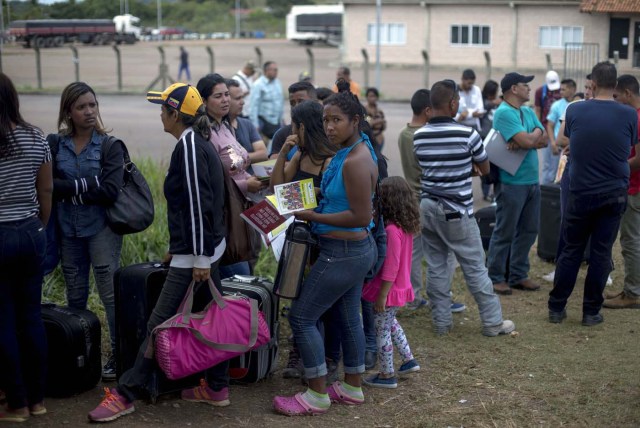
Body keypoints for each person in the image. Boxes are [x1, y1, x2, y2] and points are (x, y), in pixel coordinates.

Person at [88, 83, 230, 422]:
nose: (160, 114)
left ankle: (126, 393)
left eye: (163, 108)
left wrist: (196, 257)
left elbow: (198, 204)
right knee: (214, 321)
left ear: (175, 114)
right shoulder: (194, 142)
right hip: (200, 251)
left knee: (157, 324)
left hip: (197, 257)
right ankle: (217, 388)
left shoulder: (191, 145)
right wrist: (183, 248)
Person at [273, 79, 377, 416]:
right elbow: (338, 199)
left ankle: (316, 393)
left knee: (302, 316)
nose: (329, 127)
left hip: (343, 252)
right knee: (349, 318)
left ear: (355, 122)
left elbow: (361, 215)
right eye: (326, 120)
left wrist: (308, 214)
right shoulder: (347, 152)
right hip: (347, 252)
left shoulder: (354, 161)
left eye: (336, 120)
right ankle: (352, 387)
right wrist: (304, 201)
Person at [413, 79, 515, 337]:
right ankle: (493, 323)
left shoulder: (419, 136)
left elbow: (429, 168)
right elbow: (484, 169)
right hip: (456, 210)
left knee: (436, 267)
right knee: (474, 266)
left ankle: (441, 323)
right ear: (453, 103)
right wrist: (463, 170)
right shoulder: (467, 134)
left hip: (427, 206)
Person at [548, 62, 635, 326]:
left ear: (592, 84)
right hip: (614, 192)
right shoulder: (629, 114)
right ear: (616, 85)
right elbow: (623, 146)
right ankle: (590, 312)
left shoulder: (575, 110)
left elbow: (568, 140)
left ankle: (557, 308)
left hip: (581, 190)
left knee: (571, 250)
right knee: (601, 252)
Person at [52, 82, 125, 380]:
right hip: (69, 230)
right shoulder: (56, 144)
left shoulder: (109, 145)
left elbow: (109, 191)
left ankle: (118, 356)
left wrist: (70, 190)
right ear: (69, 111)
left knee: (110, 297)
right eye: (81, 107)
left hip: (102, 231)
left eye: (92, 105)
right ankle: (80, 354)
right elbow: (50, 187)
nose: (89, 112)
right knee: (76, 295)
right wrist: (85, 187)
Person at [0, 72, 52, 423]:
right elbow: (46, 190)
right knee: (31, 317)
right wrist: (40, 225)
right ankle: (37, 400)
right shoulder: (35, 136)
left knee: (3, 321)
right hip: (32, 231)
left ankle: (15, 403)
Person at [397, 89, 466, 314]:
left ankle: (412, 296)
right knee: (443, 254)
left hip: (411, 201)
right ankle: (442, 299)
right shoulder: (425, 135)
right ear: (428, 110)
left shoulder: (404, 134)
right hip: (430, 200)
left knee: (413, 253)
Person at [197, 73, 266, 278]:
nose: (225, 100)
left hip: (241, 210)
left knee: (241, 272)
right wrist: (246, 185)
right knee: (238, 276)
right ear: (203, 101)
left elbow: (238, 165)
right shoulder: (203, 133)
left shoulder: (226, 126)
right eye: (218, 96)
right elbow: (212, 177)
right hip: (222, 216)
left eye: (227, 94)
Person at [487, 72, 547, 296]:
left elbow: (542, 139)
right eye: (525, 85)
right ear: (513, 88)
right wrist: (529, 138)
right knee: (505, 230)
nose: (529, 89)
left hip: (531, 181)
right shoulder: (504, 113)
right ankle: (495, 277)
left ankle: (518, 274)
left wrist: (529, 138)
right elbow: (530, 140)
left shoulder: (527, 111)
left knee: (529, 230)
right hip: (511, 182)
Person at [362, 176, 421, 389]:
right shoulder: (405, 227)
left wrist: (382, 296)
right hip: (399, 288)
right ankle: (408, 359)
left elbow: (391, 267)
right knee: (390, 323)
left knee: (382, 330)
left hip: (388, 290)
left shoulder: (391, 231)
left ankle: (387, 374)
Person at [603, 74, 640, 309]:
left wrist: (616, 169)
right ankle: (630, 287)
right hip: (633, 185)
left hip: (635, 188)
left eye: (616, 96)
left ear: (628, 93)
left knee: (631, 242)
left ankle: (633, 293)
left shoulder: (636, 117)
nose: (614, 100)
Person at [226, 78, 268, 175]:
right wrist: (251, 157)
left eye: (242, 98)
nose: (242, 102)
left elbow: (263, 154)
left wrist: (240, 157)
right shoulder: (218, 129)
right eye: (237, 98)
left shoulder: (247, 124)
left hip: (253, 180)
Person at [268, 81, 317, 159]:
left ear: (315, 102)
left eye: (301, 101)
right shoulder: (281, 134)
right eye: (292, 103)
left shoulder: (326, 131)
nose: (296, 106)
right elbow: (273, 164)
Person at [544, 79, 577, 185]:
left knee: (565, 175)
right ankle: (547, 196)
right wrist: (553, 143)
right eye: (560, 89)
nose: (561, 92)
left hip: (569, 147)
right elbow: (550, 125)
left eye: (564, 89)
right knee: (551, 173)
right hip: (557, 146)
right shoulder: (556, 105)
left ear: (572, 89)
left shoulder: (578, 105)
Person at [479, 79, 501, 202]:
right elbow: (482, 107)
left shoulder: (496, 102)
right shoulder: (482, 102)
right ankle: (486, 192)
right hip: (483, 137)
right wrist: (494, 103)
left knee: (495, 166)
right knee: (484, 166)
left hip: (495, 137)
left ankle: (494, 192)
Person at [249, 61, 284, 141]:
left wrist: (281, 118)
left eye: (276, 70)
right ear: (266, 71)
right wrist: (255, 125)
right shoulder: (258, 84)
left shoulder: (277, 83)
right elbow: (253, 106)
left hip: (277, 122)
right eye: (273, 70)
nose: (276, 72)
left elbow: (280, 101)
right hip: (264, 122)